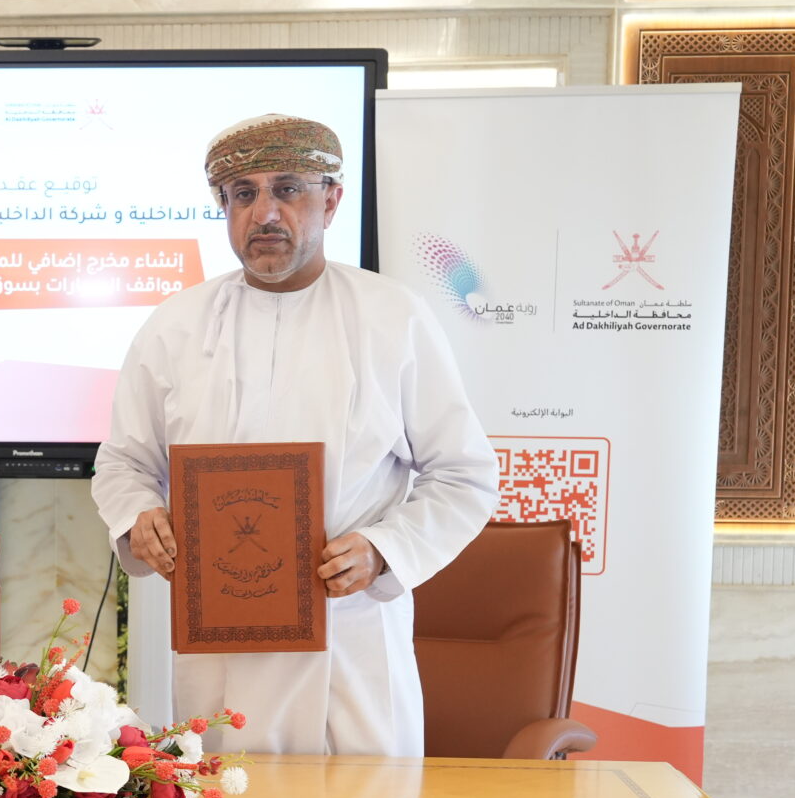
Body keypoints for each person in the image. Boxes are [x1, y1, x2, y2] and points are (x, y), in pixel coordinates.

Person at [92, 114, 497, 756]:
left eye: (287, 189)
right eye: (243, 195)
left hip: (350, 640)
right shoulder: (174, 326)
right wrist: (139, 517)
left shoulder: (394, 318)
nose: (265, 214)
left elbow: (465, 474)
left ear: (331, 201)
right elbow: (123, 464)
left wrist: (384, 549)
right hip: (218, 647)